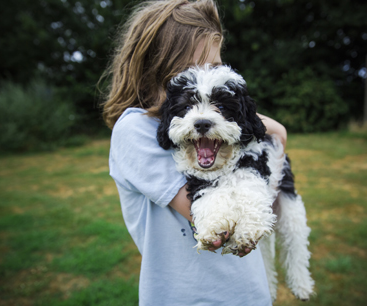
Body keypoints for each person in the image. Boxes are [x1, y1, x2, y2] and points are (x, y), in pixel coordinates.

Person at [102, 1, 287, 305]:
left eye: (214, 67)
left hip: (249, 294)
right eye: (192, 68)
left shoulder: (218, 128)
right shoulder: (135, 130)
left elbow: (266, 203)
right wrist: (275, 131)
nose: (207, 78)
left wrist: (271, 131)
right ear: (156, 68)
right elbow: (222, 224)